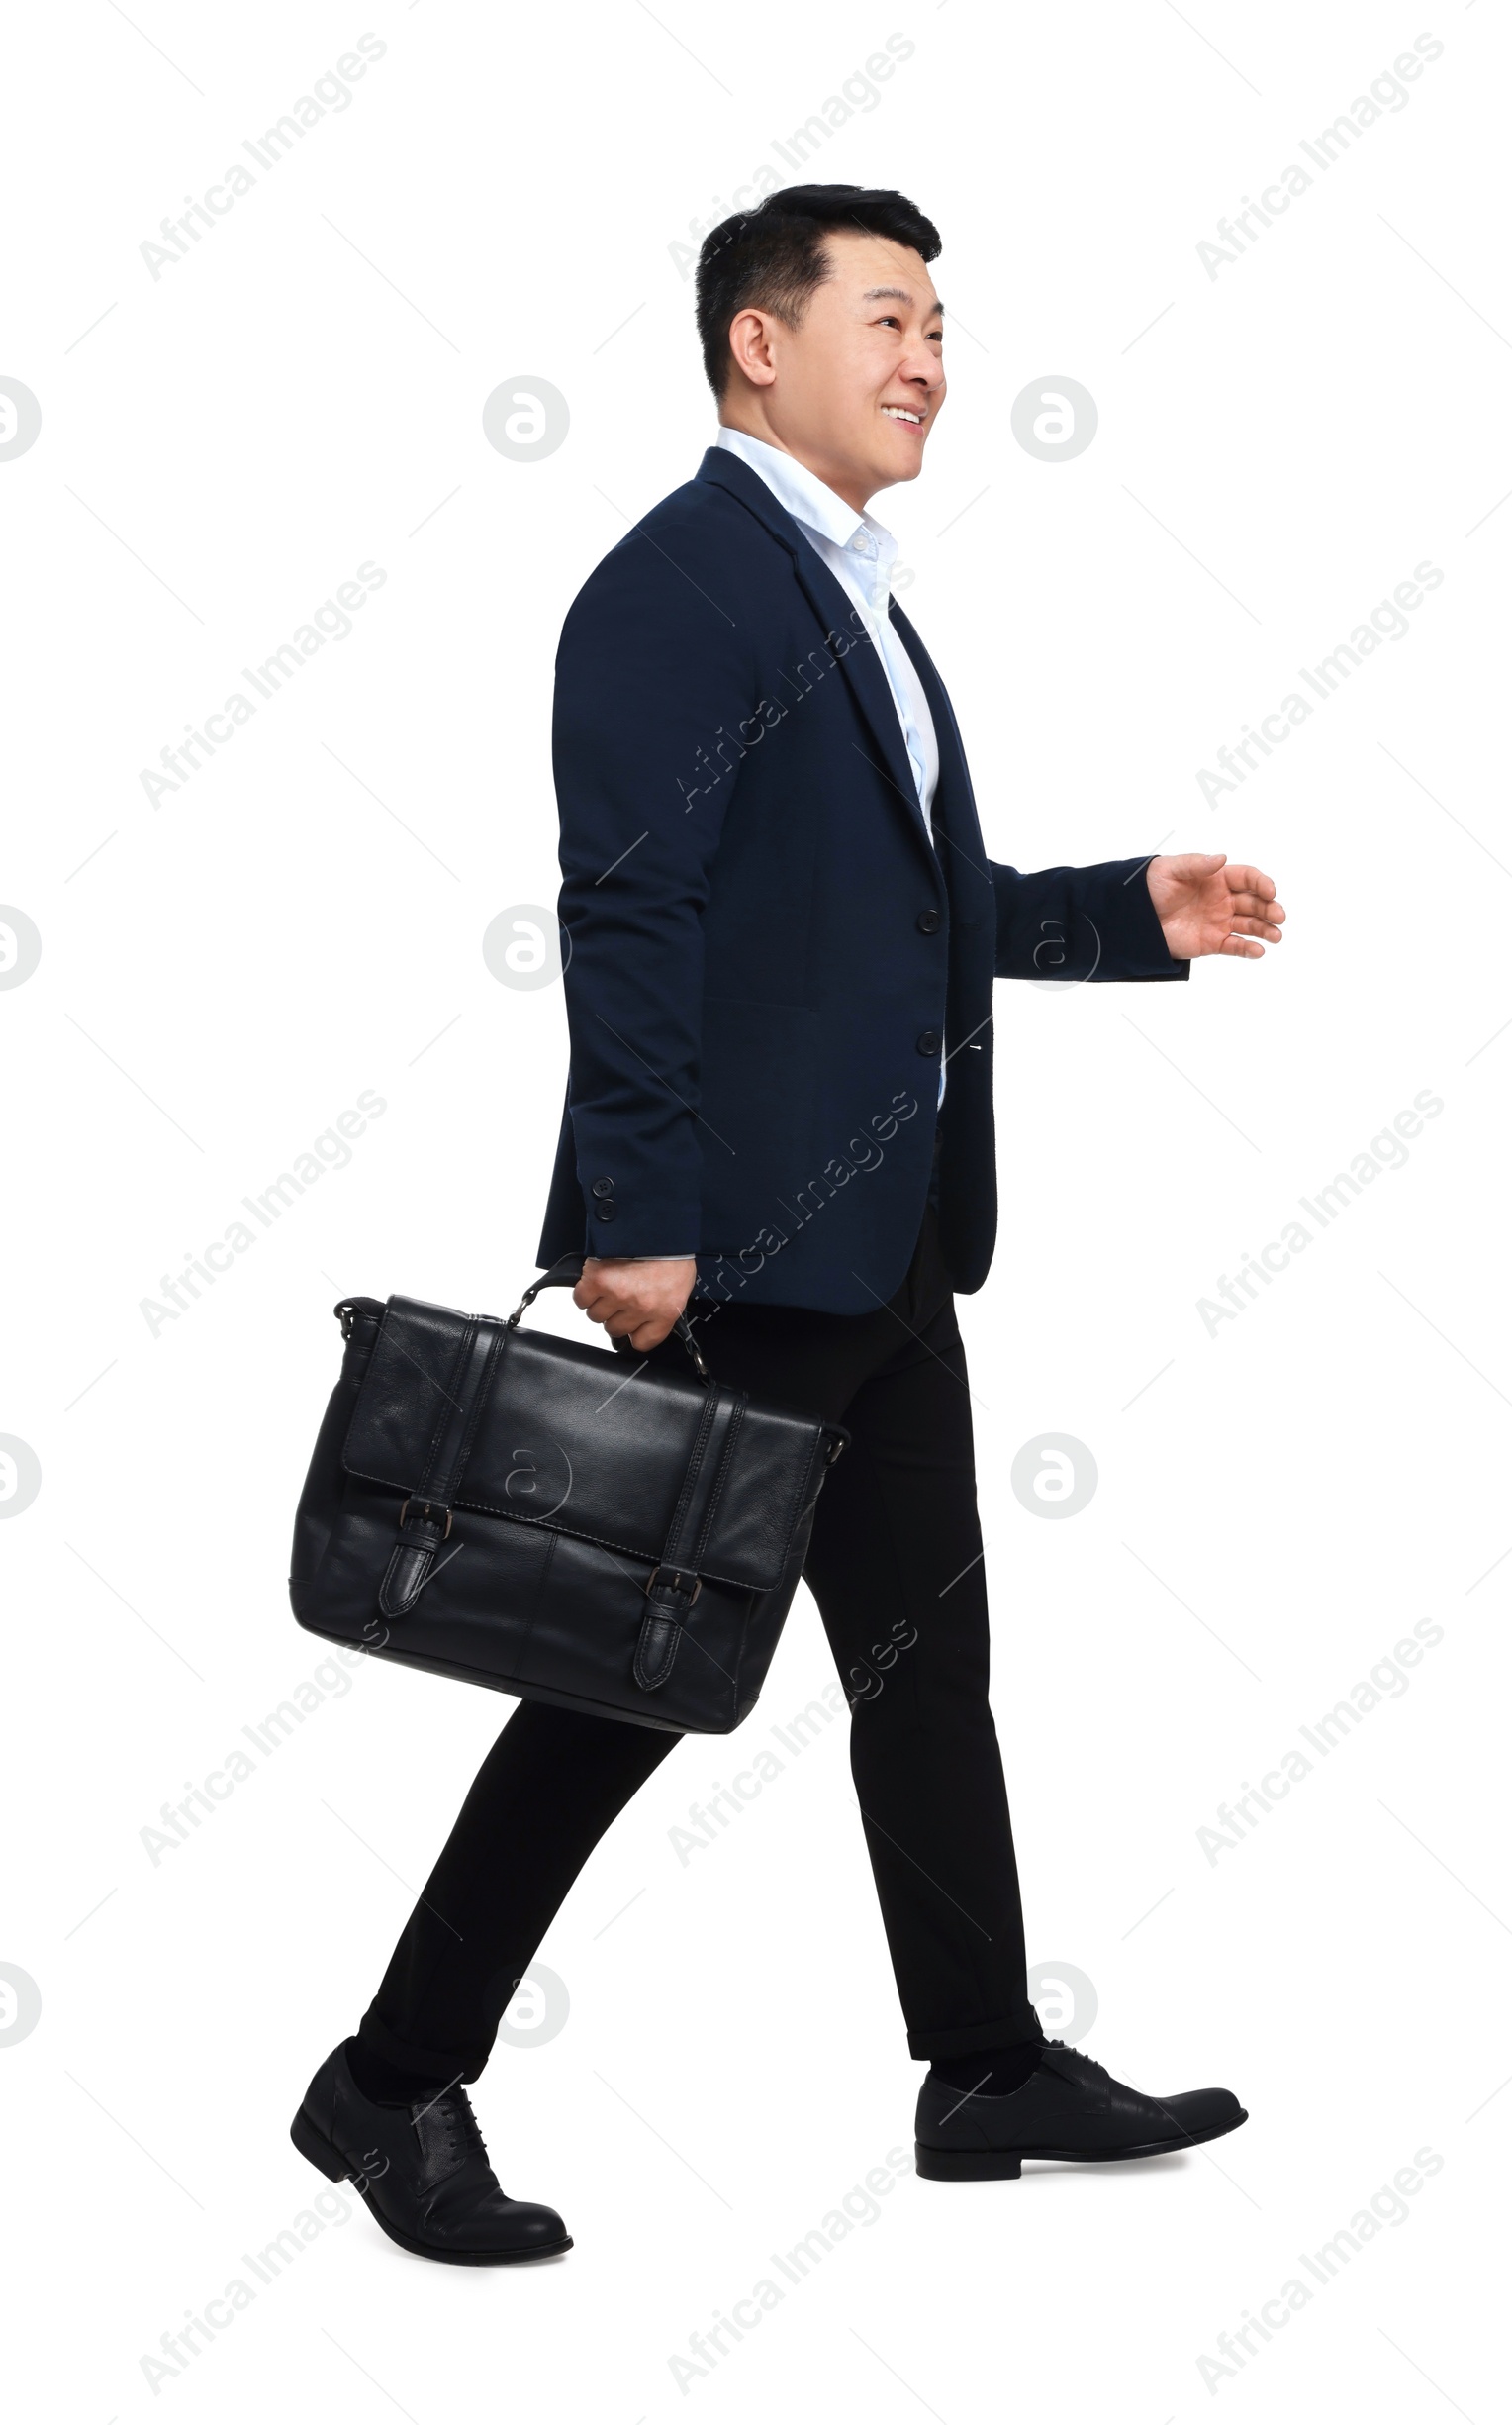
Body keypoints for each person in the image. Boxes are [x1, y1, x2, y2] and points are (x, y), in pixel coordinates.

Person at [292, 183, 1283, 2260]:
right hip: (736, 1249)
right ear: (761, 343)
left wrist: (1129, 913)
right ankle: (388, 2088)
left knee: (926, 1671)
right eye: (890, 316)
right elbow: (629, 906)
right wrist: (633, 1216)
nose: (932, 355)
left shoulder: (852, 593)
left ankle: (982, 2061)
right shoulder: (681, 589)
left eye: (942, 322)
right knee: (620, 1681)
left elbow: (902, 920)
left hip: (882, 1249)